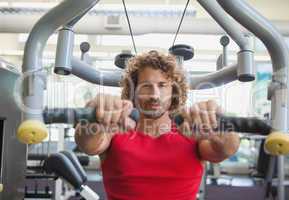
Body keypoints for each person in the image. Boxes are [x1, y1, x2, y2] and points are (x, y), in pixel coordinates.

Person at [75, 50, 240, 200]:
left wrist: (220, 124)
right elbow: (88, 144)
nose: (154, 95)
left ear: (173, 91)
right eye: (146, 86)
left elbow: (226, 149)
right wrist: (93, 117)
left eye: (162, 86)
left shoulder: (191, 134)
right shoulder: (116, 130)